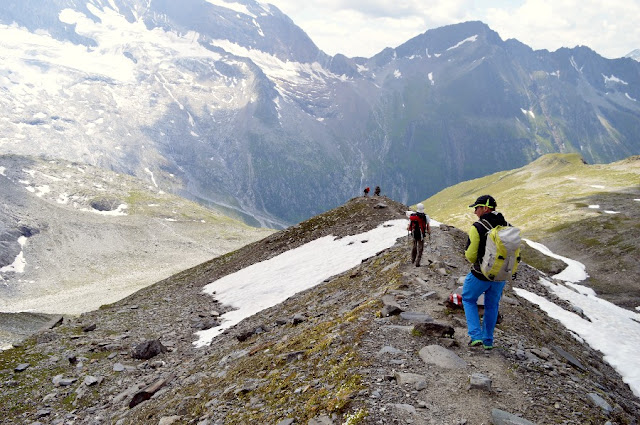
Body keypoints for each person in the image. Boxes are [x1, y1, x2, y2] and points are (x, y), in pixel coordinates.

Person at [462, 195, 513, 350]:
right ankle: (488, 341)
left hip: (480, 274)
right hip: (500, 276)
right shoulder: (508, 226)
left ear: (485, 208)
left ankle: (476, 336)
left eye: (476, 208)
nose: (475, 212)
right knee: (492, 305)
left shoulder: (477, 227)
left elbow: (471, 255)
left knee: (468, 299)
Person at [407, 203, 431, 267]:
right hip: (421, 234)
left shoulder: (412, 216)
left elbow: (409, 226)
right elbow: (428, 226)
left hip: (414, 233)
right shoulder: (426, 216)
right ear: (423, 208)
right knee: (420, 248)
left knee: (414, 246)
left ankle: (412, 259)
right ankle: (418, 261)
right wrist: (428, 232)